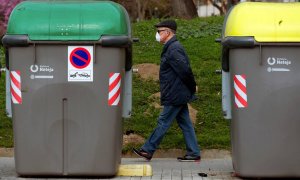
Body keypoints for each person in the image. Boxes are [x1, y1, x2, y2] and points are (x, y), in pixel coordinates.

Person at [133, 20, 200, 162]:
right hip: (177, 92)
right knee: (185, 123)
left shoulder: (174, 49)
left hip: (175, 93)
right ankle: (193, 152)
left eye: (159, 31)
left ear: (168, 32)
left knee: (163, 121)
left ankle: (147, 149)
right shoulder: (171, 47)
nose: (157, 34)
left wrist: (192, 87)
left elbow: (184, 71)